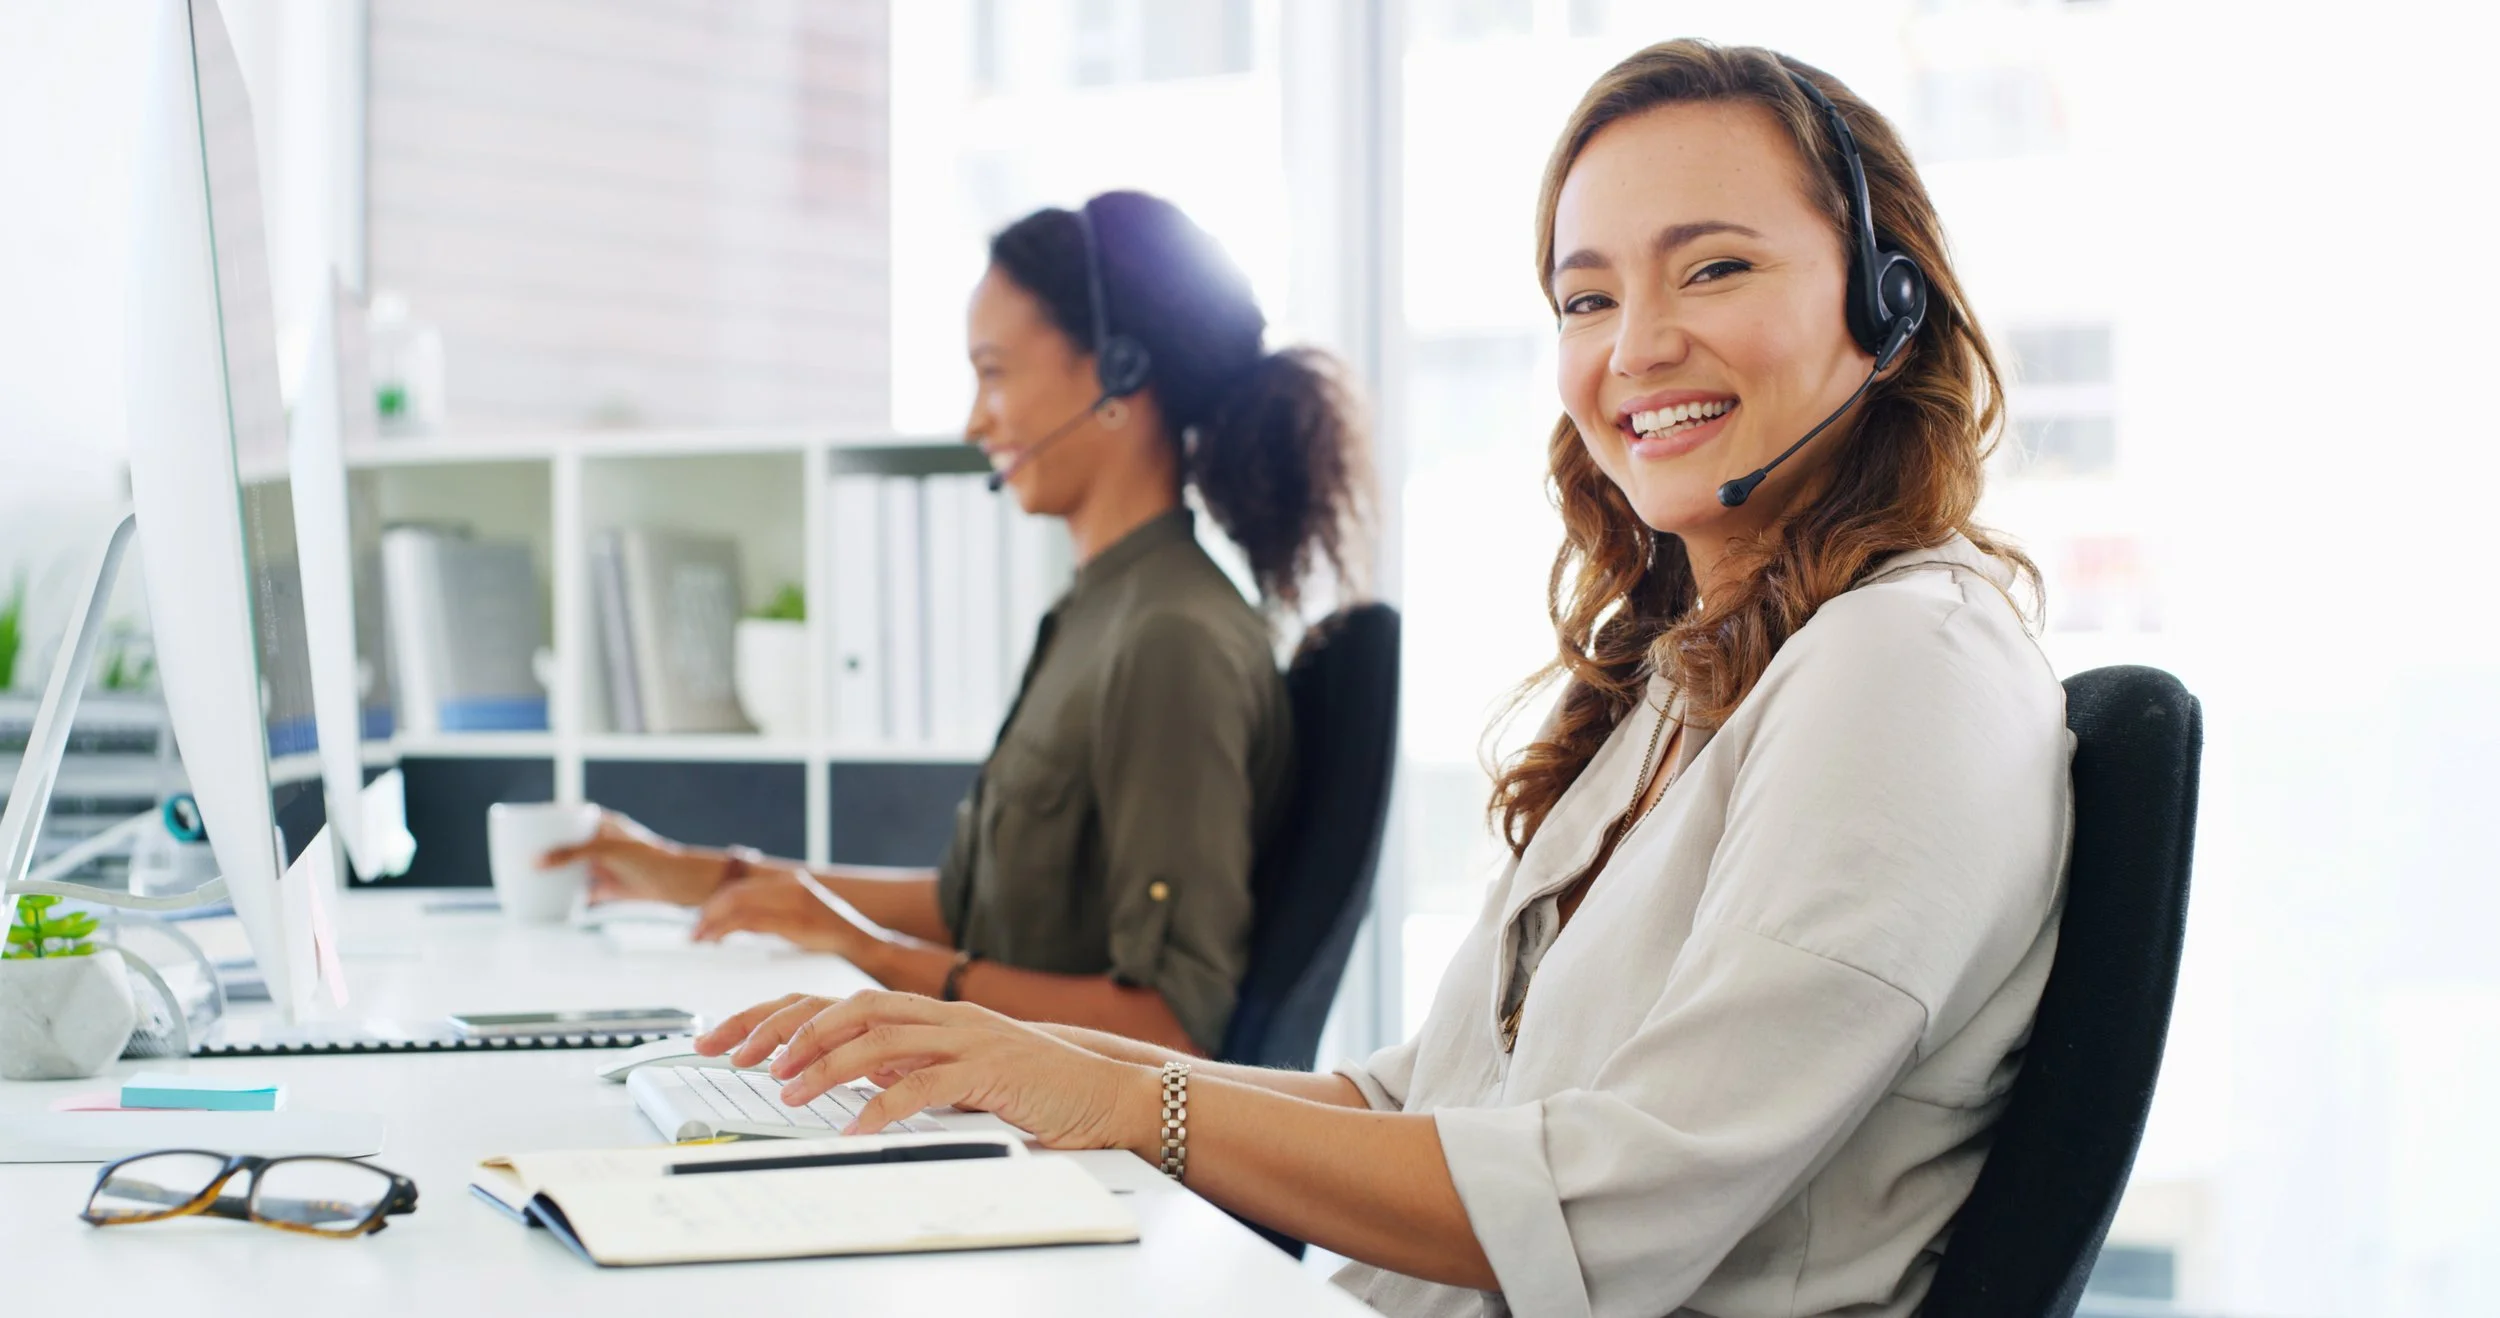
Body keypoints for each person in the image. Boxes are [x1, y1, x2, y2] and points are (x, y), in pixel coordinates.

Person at [690, 40, 2077, 1318]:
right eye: (1586, 295)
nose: (1635, 344)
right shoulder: (1700, 678)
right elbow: (1417, 1094)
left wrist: (1129, 1100)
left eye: (1712, 268)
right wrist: (1045, 1068)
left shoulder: (1908, 668)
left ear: (1888, 302)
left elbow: (1611, 1201)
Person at [549, 191, 1372, 1058]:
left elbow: (1170, 1024)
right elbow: (969, 907)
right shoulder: (1100, 610)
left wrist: (872, 958)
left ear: (1120, 374)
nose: (976, 420)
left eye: (994, 372)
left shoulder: (1171, 640)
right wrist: (705, 877)